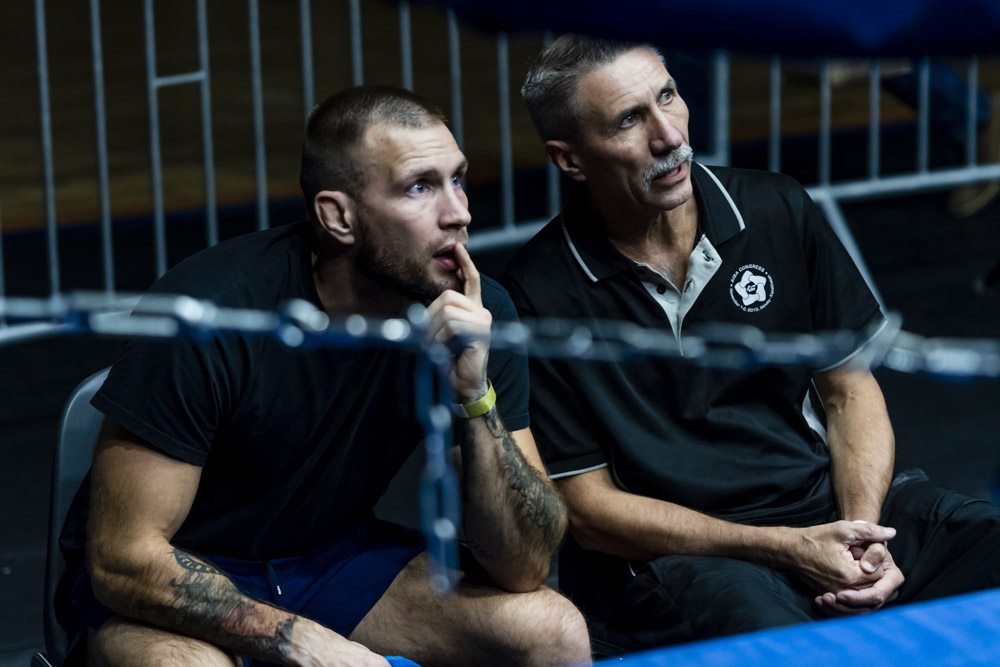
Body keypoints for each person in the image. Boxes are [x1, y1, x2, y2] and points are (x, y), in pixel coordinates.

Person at [57, 86, 592, 667]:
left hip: (326, 562)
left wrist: (473, 394)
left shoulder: (474, 315)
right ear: (338, 216)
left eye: (457, 179)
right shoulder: (213, 313)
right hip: (180, 575)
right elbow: (123, 560)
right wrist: (298, 638)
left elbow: (523, 566)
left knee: (552, 629)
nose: (459, 212)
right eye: (420, 187)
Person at [502, 34, 1000, 656]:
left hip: (827, 510)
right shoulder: (534, 293)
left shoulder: (775, 207)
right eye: (629, 120)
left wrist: (861, 538)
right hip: (683, 557)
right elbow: (589, 511)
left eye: (668, 96)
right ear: (569, 159)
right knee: (784, 647)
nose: (668, 136)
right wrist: (787, 548)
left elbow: (849, 391)